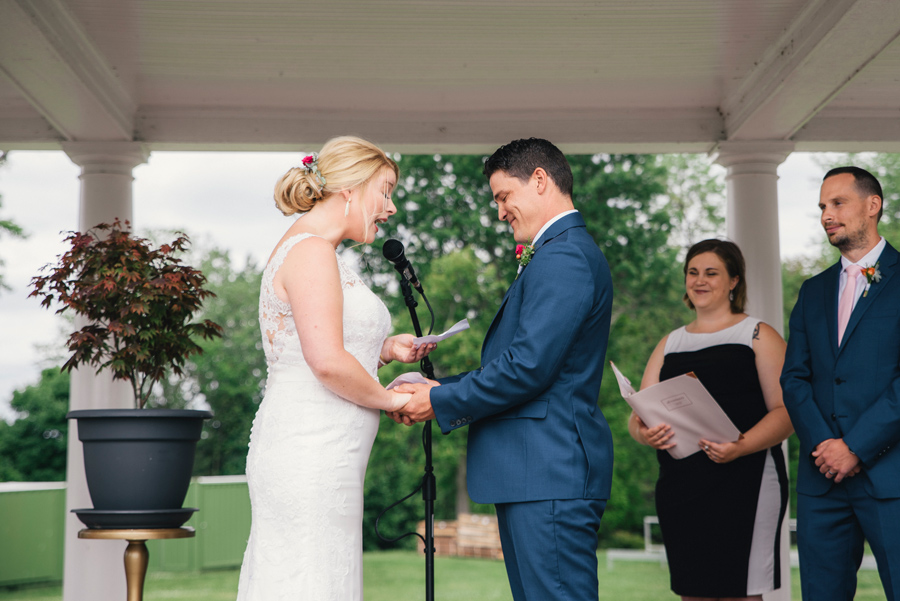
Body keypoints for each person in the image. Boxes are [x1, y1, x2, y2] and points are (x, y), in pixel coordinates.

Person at [392, 138, 614, 601]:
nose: (499, 212)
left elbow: (527, 369)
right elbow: (522, 366)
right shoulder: (555, 253)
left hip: (550, 472)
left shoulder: (564, 255)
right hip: (537, 473)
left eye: (502, 196)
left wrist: (437, 401)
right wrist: (438, 386)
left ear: (539, 180)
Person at [236, 136, 435, 601]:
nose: (389, 209)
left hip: (326, 453)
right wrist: (391, 399)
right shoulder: (311, 252)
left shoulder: (316, 251)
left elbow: (315, 338)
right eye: (384, 192)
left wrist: (384, 349)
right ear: (350, 188)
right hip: (310, 453)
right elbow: (325, 361)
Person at [629, 239, 792, 601]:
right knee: (693, 592)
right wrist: (645, 434)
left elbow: (786, 413)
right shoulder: (670, 343)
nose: (699, 280)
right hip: (682, 487)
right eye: (692, 272)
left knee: (742, 593)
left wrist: (741, 447)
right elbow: (637, 416)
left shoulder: (757, 335)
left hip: (746, 481)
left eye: (711, 273)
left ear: (734, 280)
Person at [781, 166, 900, 600]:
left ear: (873, 206)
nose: (826, 215)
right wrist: (827, 448)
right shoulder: (812, 291)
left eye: (837, 203)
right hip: (822, 481)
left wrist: (856, 447)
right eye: (821, 208)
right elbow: (794, 378)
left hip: (890, 477)